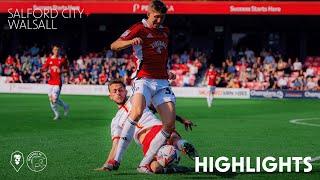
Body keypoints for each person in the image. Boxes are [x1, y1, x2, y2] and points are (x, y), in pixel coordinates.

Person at [109, 0, 177, 173]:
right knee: (137, 111)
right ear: (148, 13)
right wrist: (130, 42)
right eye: (156, 17)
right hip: (144, 79)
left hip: (162, 82)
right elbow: (114, 45)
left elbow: (160, 55)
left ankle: (144, 164)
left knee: (169, 125)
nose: (158, 21)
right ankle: (116, 159)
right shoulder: (139, 28)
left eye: (162, 17)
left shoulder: (165, 31)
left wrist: (166, 71)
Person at [96, 79, 197, 173]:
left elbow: (162, 110)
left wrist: (182, 119)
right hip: (147, 141)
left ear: (126, 91)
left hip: (156, 127)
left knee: (171, 135)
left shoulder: (137, 99)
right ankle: (180, 156)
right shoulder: (115, 121)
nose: (118, 93)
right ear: (110, 96)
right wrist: (107, 164)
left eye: (120, 90)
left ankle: (180, 144)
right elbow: (116, 144)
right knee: (155, 167)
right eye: (114, 91)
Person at [41, 45, 69, 120]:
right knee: (52, 100)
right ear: (53, 51)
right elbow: (43, 69)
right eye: (55, 50)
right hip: (50, 82)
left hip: (58, 82)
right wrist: (45, 72)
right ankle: (58, 113)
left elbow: (67, 69)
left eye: (58, 50)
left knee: (54, 99)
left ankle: (64, 108)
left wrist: (61, 71)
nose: (56, 51)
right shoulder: (49, 59)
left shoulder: (62, 60)